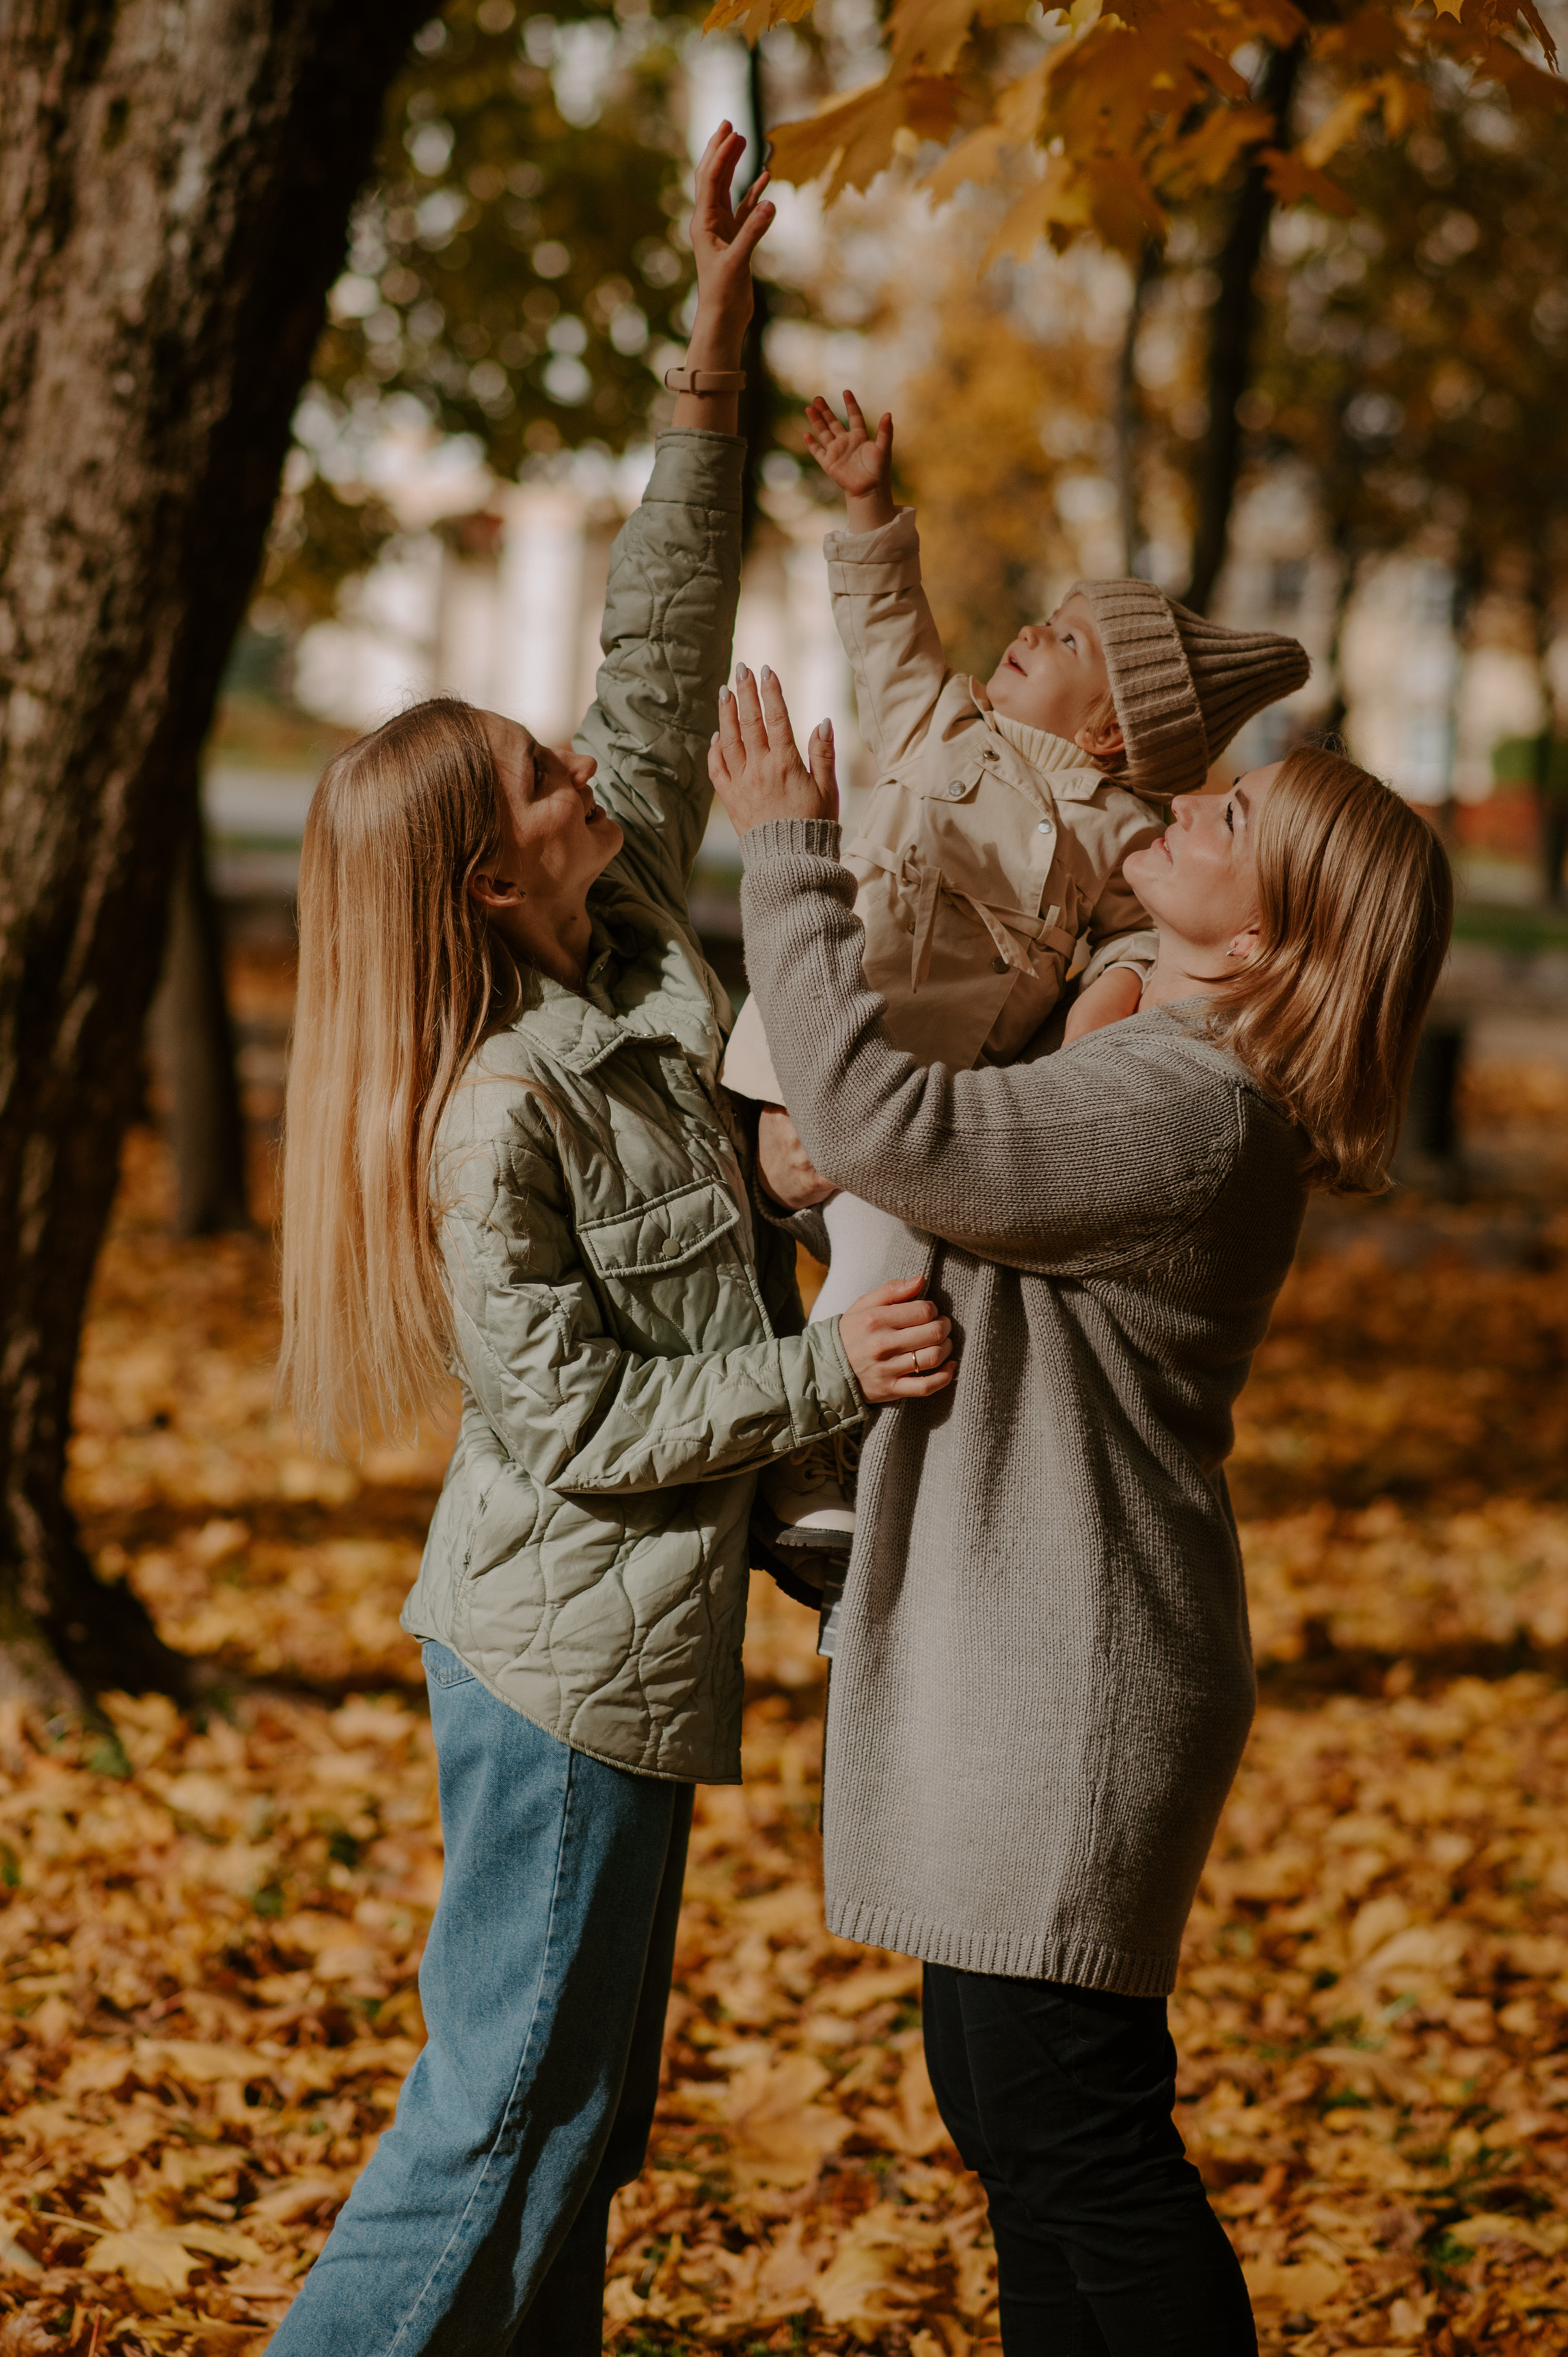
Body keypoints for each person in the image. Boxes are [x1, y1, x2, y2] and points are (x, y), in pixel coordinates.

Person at [267, 128, 954, 2357]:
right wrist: (839, 1369)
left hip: (614, 1653)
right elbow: (581, 1418)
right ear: (493, 877)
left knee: (575, 2131)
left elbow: (656, 627)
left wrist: (714, 330)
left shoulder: (617, 949)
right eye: (557, 778)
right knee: (493, 2122)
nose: (600, 771)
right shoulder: (500, 1109)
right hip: (561, 1666)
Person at [709, 667, 1455, 2357]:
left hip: (1075, 1678)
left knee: (1077, 2147)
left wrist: (788, 854)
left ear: (1267, 939)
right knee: (1018, 2134)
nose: (1192, 803)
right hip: (1034, 1657)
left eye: (1230, 820)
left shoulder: (1183, 1113)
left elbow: (886, 1125)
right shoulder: (1164, 1055)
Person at [722, 389, 1310, 1550]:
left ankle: (819, 1467)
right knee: (817, 1247)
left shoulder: (1122, 835)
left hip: (922, 1099)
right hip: (814, 1037)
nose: (1034, 633)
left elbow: (1143, 932)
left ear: (1109, 733)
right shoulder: (939, 723)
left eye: (1070, 640)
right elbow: (888, 624)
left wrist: (1110, 991)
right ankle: (798, 1440)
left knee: (892, 1263)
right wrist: (866, 500)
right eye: (1049, 618)